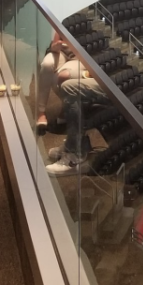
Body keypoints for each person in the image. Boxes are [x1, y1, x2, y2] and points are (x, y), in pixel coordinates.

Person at [43, 32, 110, 177]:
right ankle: (77, 144)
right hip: (104, 72)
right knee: (71, 85)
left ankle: (75, 155)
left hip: (113, 79)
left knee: (71, 87)